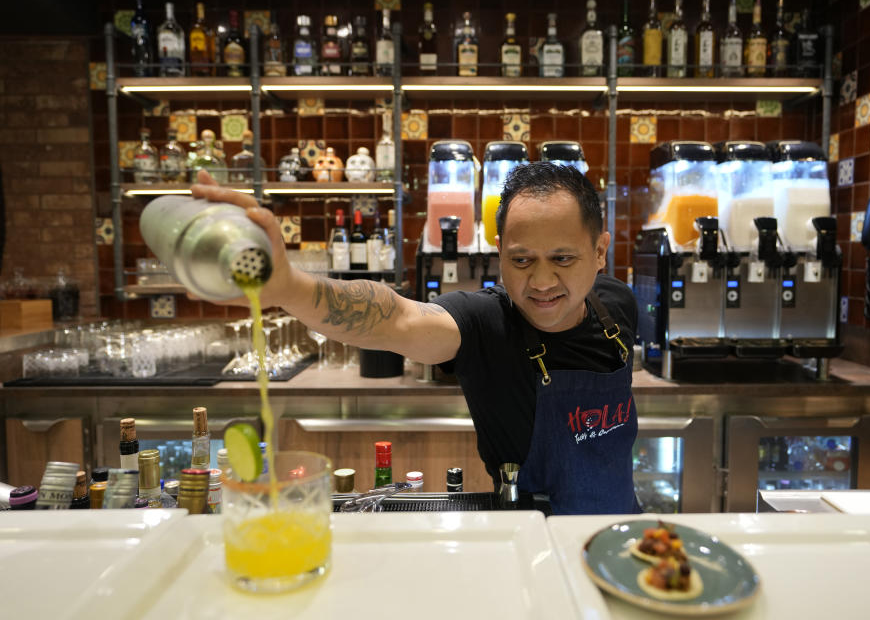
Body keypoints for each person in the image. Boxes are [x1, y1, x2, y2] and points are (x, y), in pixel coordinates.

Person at [192, 162, 639, 514]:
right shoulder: (485, 325)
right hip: (530, 542)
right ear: (499, 250)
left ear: (600, 252)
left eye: (562, 258)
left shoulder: (617, 306)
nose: (542, 280)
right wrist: (287, 286)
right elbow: (394, 317)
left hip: (620, 533)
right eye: (522, 261)